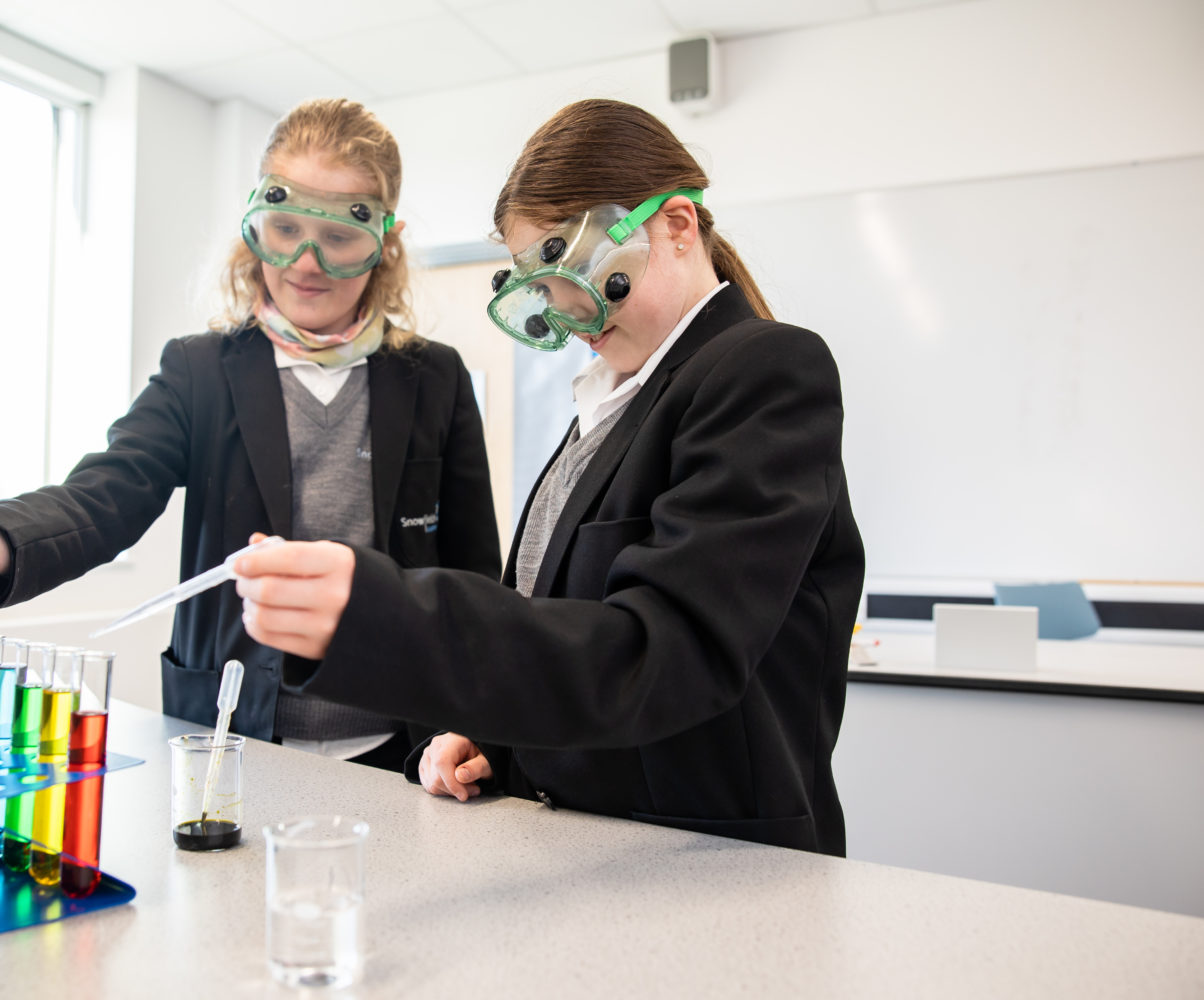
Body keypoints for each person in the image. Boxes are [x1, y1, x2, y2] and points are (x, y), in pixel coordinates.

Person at [232, 98, 865, 854]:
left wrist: (382, 613)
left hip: (716, 863)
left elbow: (662, 654)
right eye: (541, 276)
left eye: (576, 260)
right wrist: (494, 741)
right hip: (591, 852)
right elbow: (563, 627)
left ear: (676, 227)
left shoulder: (764, 370)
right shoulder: (609, 401)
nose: (571, 308)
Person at [0, 98, 502, 771]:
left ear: (386, 240)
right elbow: (101, 499)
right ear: (254, 224)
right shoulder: (201, 370)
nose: (306, 261)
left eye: (339, 237)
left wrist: (474, 727)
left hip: (406, 745)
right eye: (285, 228)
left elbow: (473, 577)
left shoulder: (433, 378)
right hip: (231, 738)